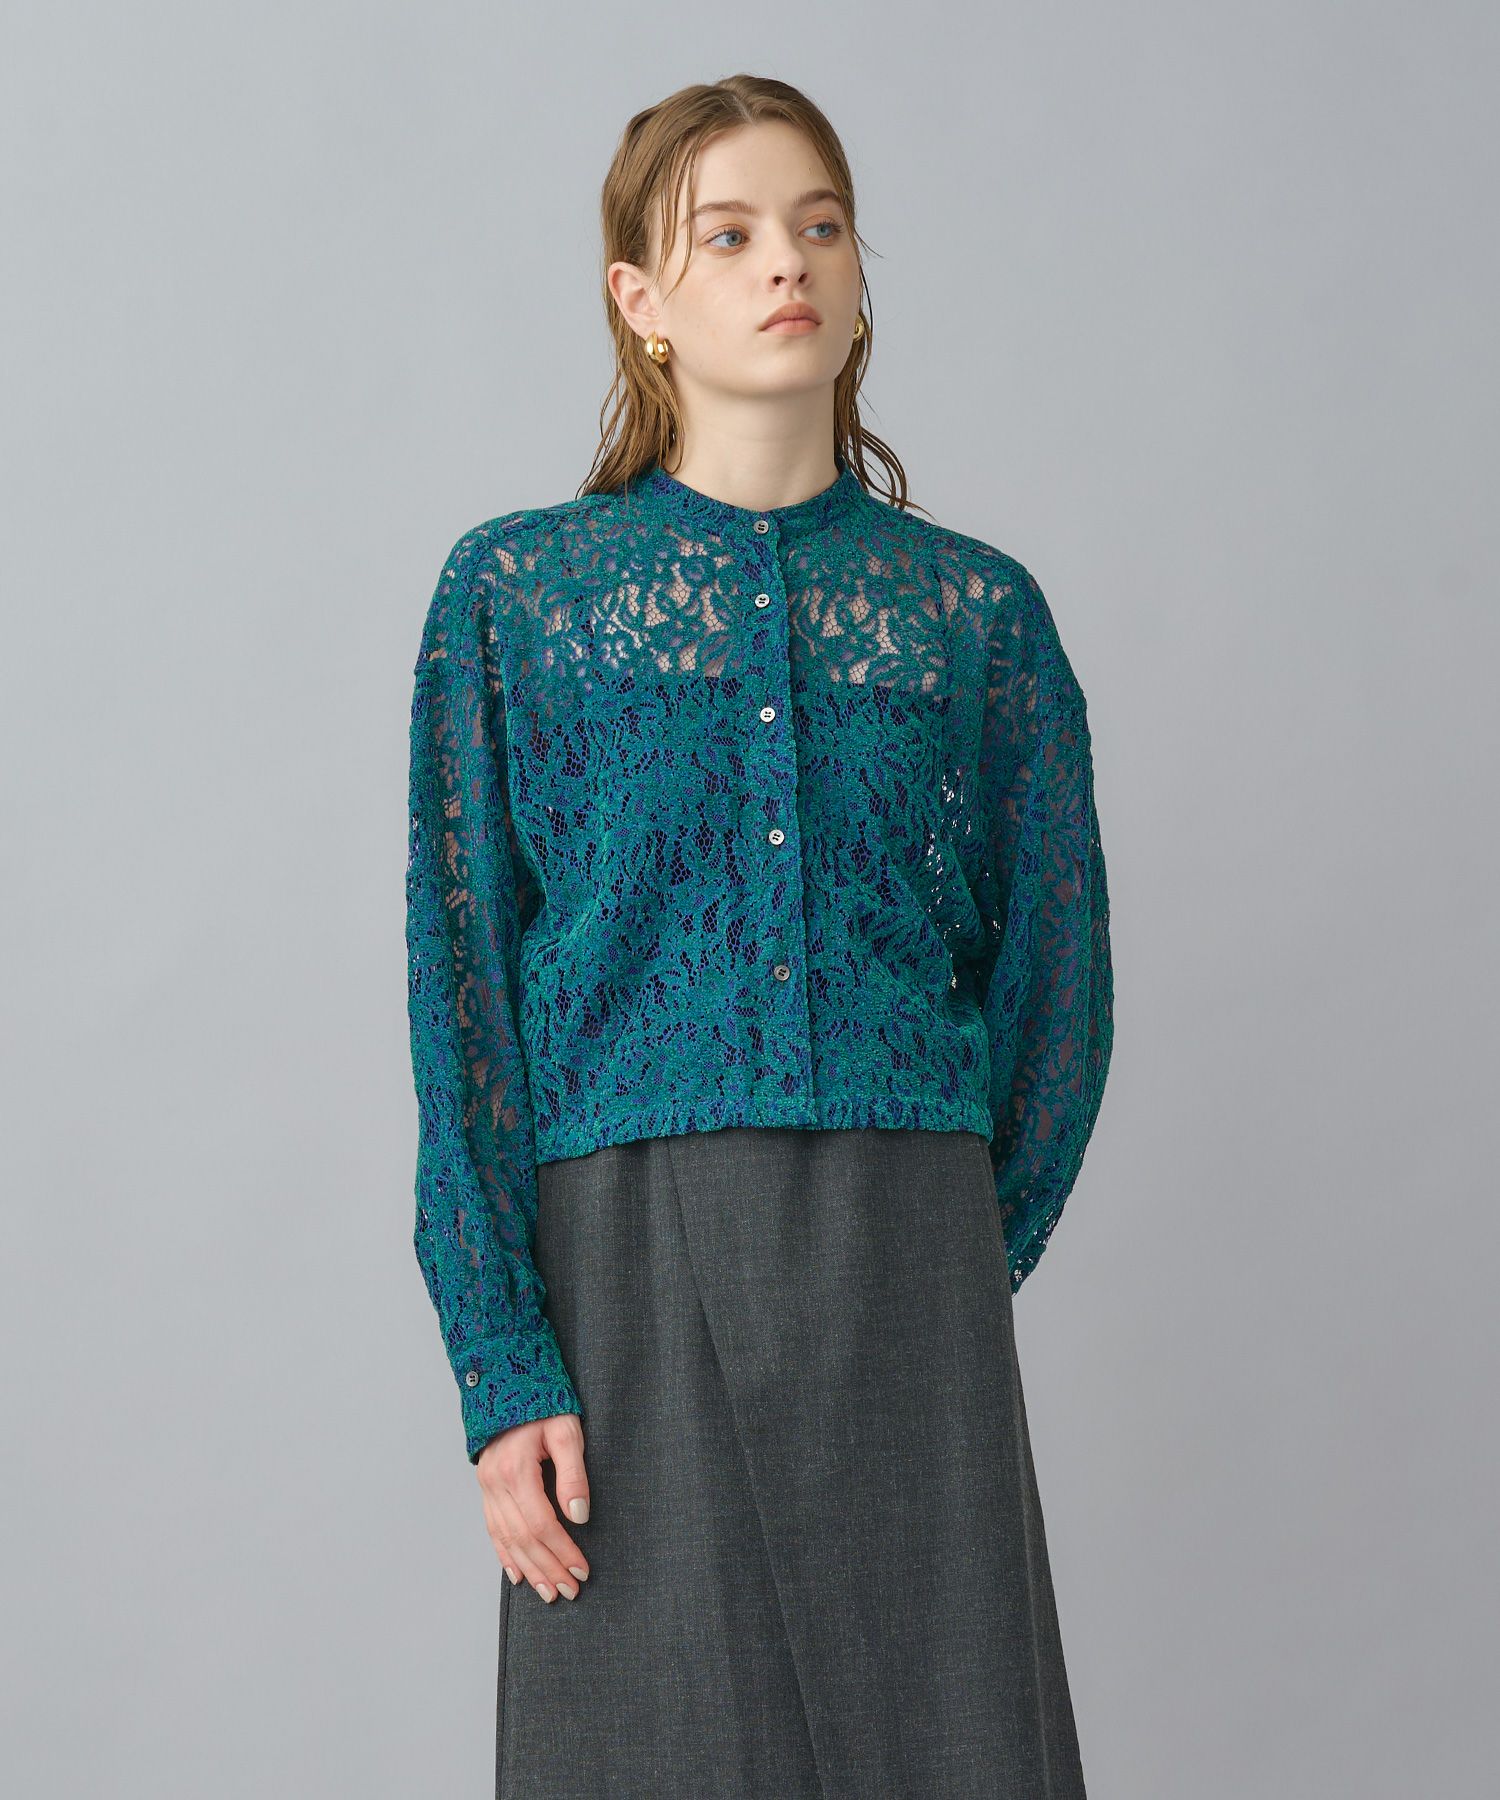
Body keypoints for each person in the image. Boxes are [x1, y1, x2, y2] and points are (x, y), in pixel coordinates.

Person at [405, 73, 1115, 1800]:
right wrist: (502, 1359)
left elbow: (1061, 996)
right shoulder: (519, 600)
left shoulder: (974, 618)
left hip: (908, 1259)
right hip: (624, 1268)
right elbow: (464, 1005)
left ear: (859, 277)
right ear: (640, 299)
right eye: (725, 235)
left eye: (819, 225)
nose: (785, 262)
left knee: (953, 1748)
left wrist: (950, 1253)